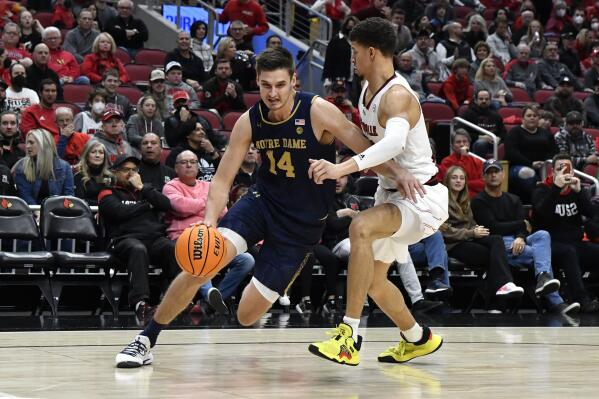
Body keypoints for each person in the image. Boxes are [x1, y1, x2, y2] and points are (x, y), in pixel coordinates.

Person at [115, 46, 406, 368]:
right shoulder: (249, 120)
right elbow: (223, 180)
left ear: (294, 81)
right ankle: (145, 339)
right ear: (257, 82)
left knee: (246, 315)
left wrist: (400, 174)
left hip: (301, 228)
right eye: (266, 85)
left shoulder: (318, 110)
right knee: (201, 264)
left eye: (280, 85)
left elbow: (364, 147)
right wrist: (209, 223)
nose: (273, 93)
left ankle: (259, 274)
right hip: (261, 204)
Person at [309, 18, 447, 366]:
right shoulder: (367, 91)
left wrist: (342, 168)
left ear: (371, 52)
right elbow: (372, 144)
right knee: (373, 283)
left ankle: (349, 337)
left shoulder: (397, 96)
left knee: (360, 227)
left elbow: (394, 143)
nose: (352, 59)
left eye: (355, 52)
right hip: (393, 193)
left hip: (420, 197)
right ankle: (418, 338)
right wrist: (393, 170)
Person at [472, 159, 579, 315]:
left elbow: (524, 227)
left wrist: (520, 237)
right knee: (541, 254)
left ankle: (543, 277)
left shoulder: (513, 199)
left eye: (496, 171)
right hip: (498, 244)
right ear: (483, 177)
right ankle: (556, 302)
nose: (493, 175)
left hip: (517, 241)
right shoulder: (478, 201)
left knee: (543, 235)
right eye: (489, 172)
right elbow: (493, 227)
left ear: (503, 175)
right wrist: (519, 225)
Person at [163, 150, 255, 315]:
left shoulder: (208, 186)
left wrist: (201, 205)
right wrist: (208, 203)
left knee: (246, 260)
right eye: (184, 162)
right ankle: (208, 293)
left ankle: (212, 299)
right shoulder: (170, 186)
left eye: (193, 161)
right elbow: (180, 207)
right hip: (184, 238)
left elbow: (223, 211)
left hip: (212, 239)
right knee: (203, 255)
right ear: (176, 168)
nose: (189, 165)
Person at [99, 154, 177, 317]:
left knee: (171, 248)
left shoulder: (145, 190)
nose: (131, 174)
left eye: (134, 170)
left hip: (153, 239)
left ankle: (175, 299)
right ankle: (140, 303)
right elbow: (118, 212)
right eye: (126, 170)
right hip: (122, 240)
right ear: (115, 172)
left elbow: (166, 205)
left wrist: (143, 189)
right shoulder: (107, 192)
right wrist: (146, 205)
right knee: (137, 249)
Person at [440, 165, 526, 307]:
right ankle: (497, 295)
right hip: (452, 244)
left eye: (462, 178)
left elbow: (471, 223)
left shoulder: (465, 201)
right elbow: (444, 230)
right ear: (447, 180)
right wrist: (471, 232)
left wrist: (476, 229)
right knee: (494, 255)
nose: (458, 181)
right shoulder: (441, 201)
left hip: (467, 239)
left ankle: (504, 286)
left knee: (496, 240)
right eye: (454, 177)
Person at [532, 153, 599, 313]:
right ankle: (582, 300)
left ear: (573, 171)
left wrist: (580, 192)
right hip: (551, 245)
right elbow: (542, 216)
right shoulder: (541, 189)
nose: (563, 172)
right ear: (552, 172)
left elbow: (591, 214)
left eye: (567, 168)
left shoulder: (576, 190)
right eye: (559, 169)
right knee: (569, 252)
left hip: (575, 243)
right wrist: (556, 188)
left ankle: (591, 294)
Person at [505, 104, 557, 204]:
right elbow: (511, 152)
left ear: (538, 118)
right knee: (527, 172)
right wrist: (530, 164)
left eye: (535, 115)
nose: (532, 118)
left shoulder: (546, 133)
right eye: (529, 116)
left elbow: (554, 151)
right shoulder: (515, 132)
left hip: (543, 168)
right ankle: (540, 203)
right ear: (523, 119)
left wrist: (545, 162)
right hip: (517, 167)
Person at [14, 128, 74, 205]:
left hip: (58, 212)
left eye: (31, 143)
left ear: (43, 144)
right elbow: (25, 196)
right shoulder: (22, 166)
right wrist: (37, 212)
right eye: (27, 143)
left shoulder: (64, 167)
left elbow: (69, 196)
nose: (27, 146)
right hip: (31, 212)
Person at [438, 129, 484, 197]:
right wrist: (464, 157)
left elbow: (483, 184)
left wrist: (464, 183)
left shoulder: (478, 161)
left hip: (476, 199)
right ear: (452, 145)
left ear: (469, 143)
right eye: (458, 142)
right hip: (455, 197)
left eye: (465, 141)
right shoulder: (447, 162)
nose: (462, 144)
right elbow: (451, 184)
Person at [459, 89, 506, 156]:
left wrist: (499, 138)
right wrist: (480, 137)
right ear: (476, 100)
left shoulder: (496, 115)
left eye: (486, 99)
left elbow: (503, 132)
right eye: (481, 99)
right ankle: (477, 165)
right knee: (481, 143)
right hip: (475, 142)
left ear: (490, 100)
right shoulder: (468, 114)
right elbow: (462, 132)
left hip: (493, 142)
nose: (484, 101)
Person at [73, 140, 113, 206]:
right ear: (86, 155)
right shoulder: (78, 176)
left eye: (101, 152)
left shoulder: (110, 176)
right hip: (86, 213)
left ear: (104, 156)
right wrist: (104, 204)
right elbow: (79, 201)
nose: (97, 155)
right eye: (93, 152)